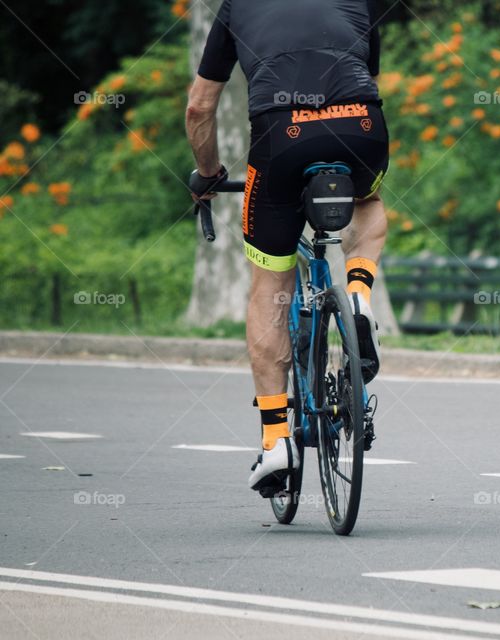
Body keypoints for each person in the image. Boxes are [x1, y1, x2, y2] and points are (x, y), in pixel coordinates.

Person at [185, 0, 388, 494]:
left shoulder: (237, 7)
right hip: (360, 124)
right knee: (367, 200)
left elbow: (199, 106)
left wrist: (208, 176)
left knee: (269, 283)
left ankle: (276, 443)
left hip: (282, 137)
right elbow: (366, 70)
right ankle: (358, 295)